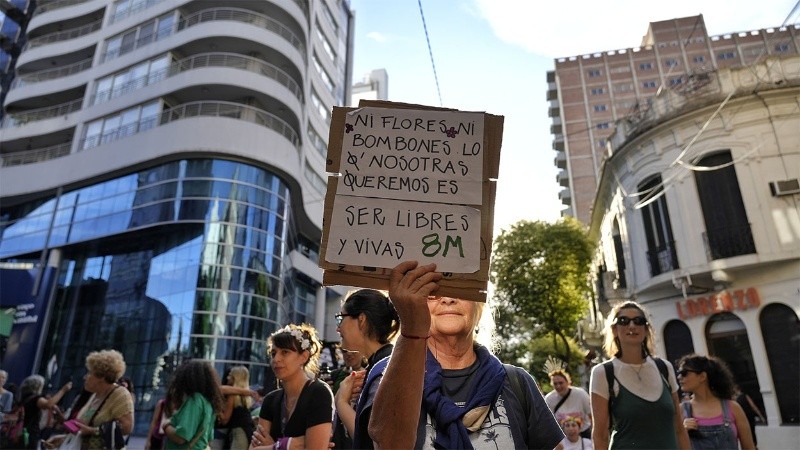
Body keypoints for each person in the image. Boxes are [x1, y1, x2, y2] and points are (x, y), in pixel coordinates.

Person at [365, 261, 564, 449]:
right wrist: (412, 329)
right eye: (433, 291)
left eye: (459, 288)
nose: (448, 298)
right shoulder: (386, 375)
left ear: (480, 306)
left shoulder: (517, 382)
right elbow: (387, 443)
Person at [589, 301, 690, 450]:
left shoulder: (664, 368)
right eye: (623, 321)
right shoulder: (603, 372)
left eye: (638, 321)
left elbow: (679, 428)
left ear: (646, 329)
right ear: (615, 329)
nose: (632, 326)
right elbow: (600, 435)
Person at [332, 288, 399, 446]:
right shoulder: (383, 363)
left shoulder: (385, 369)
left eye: (340, 318)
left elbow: (372, 441)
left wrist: (341, 401)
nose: (338, 328)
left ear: (361, 320)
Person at [251, 323, 333, 450]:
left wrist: (276, 446)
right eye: (273, 353)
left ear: (304, 357)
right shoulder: (270, 400)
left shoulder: (318, 392)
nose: (276, 359)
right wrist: (290, 445)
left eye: (285, 352)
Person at [677, 354, 755, 450]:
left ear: (702, 376)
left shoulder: (733, 408)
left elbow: (749, 447)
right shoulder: (680, 410)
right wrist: (682, 433)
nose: (679, 377)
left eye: (684, 373)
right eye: (679, 373)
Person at [161, 360, 225, 450]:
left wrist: (166, 426)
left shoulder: (195, 400)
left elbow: (181, 437)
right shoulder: (209, 403)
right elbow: (209, 438)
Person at [17, 374, 72, 449]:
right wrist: (63, 390)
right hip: (29, 434)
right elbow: (49, 404)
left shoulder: (24, 398)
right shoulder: (35, 399)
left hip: (21, 432)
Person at [545, 368, 593, 439]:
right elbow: (548, 422)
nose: (558, 386)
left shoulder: (580, 394)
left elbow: (591, 415)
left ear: (568, 382)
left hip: (583, 434)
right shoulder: (549, 399)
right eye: (555, 384)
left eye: (561, 383)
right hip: (562, 436)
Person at [218, 366, 255, 450]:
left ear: (235, 378)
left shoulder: (232, 395)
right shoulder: (244, 395)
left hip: (239, 433)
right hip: (246, 431)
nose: (227, 377)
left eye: (230, 375)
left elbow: (224, 419)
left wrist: (217, 408)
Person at [733, 385, 765, 449]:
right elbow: (753, 406)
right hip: (750, 416)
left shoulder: (736, 399)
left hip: (744, 418)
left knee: (746, 433)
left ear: (736, 389)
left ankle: (752, 445)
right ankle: (754, 445)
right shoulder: (744, 396)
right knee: (752, 431)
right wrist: (761, 416)